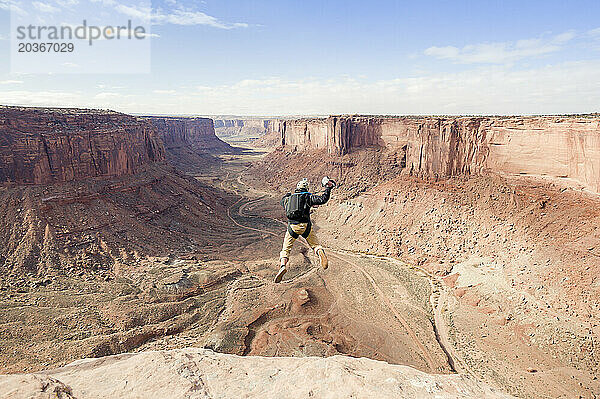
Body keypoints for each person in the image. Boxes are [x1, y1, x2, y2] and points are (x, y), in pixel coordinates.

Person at [275, 177, 334, 283]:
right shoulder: (308, 196)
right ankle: (320, 252)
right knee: (315, 245)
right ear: (306, 188)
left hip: (292, 227)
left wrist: (287, 195)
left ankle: (283, 266)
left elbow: (282, 201)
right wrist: (328, 188)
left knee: (286, 249)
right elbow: (323, 199)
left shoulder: (288, 199)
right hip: (306, 226)